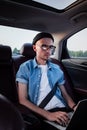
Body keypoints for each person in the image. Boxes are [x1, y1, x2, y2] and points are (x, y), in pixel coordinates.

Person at [16, 32, 77, 128]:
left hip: (64, 110)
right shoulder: (26, 67)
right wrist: (48, 115)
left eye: (51, 47)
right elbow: (22, 100)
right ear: (35, 48)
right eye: (44, 46)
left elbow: (65, 94)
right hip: (44, 113)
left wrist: (75, 107)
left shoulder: (57, 68)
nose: (48, 50)